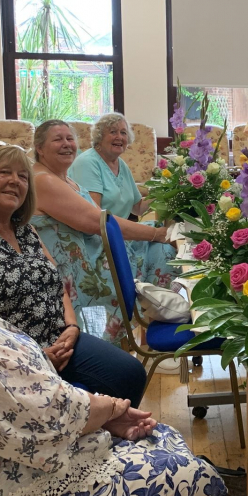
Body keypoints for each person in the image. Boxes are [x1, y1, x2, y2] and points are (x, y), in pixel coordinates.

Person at [0, 180, 226, 496]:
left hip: (32, 451)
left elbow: (26, 391)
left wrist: (72, 336)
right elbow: (41, 419)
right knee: (192, 475)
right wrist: (108, 410)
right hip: (1, 485)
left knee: (163, 438)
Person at [0, 141, 147, 405]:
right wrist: (31, 355)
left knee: (130, 373)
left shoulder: (24, 229)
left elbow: (57, 283)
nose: (15, 181)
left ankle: (105, 435)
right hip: (12, 356)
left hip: (60, 337)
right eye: (4, 172)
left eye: (23, 176)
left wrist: (71, 327)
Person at [31, 120, 178, 344]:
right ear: (39, 148)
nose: (67, 144)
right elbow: (97, 221)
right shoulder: (44, 180)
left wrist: (170, 189)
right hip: (80, 265)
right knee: (162, 246)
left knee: (166, 244)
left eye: (70, 139)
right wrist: (156, 234)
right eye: (57, 139)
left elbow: (135, 207)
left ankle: (152, 334)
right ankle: (146, 336)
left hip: (96, 247)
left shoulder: (64, 177)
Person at [69, 112, 152, 220]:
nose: (119, 137)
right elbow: (95, 217)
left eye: (123, 133)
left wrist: (166, 193)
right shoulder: (87, 163)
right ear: (99, 137)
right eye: (113, 132)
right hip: (100, 234)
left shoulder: (121, 164)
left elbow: (138, 207)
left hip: (119, 231)